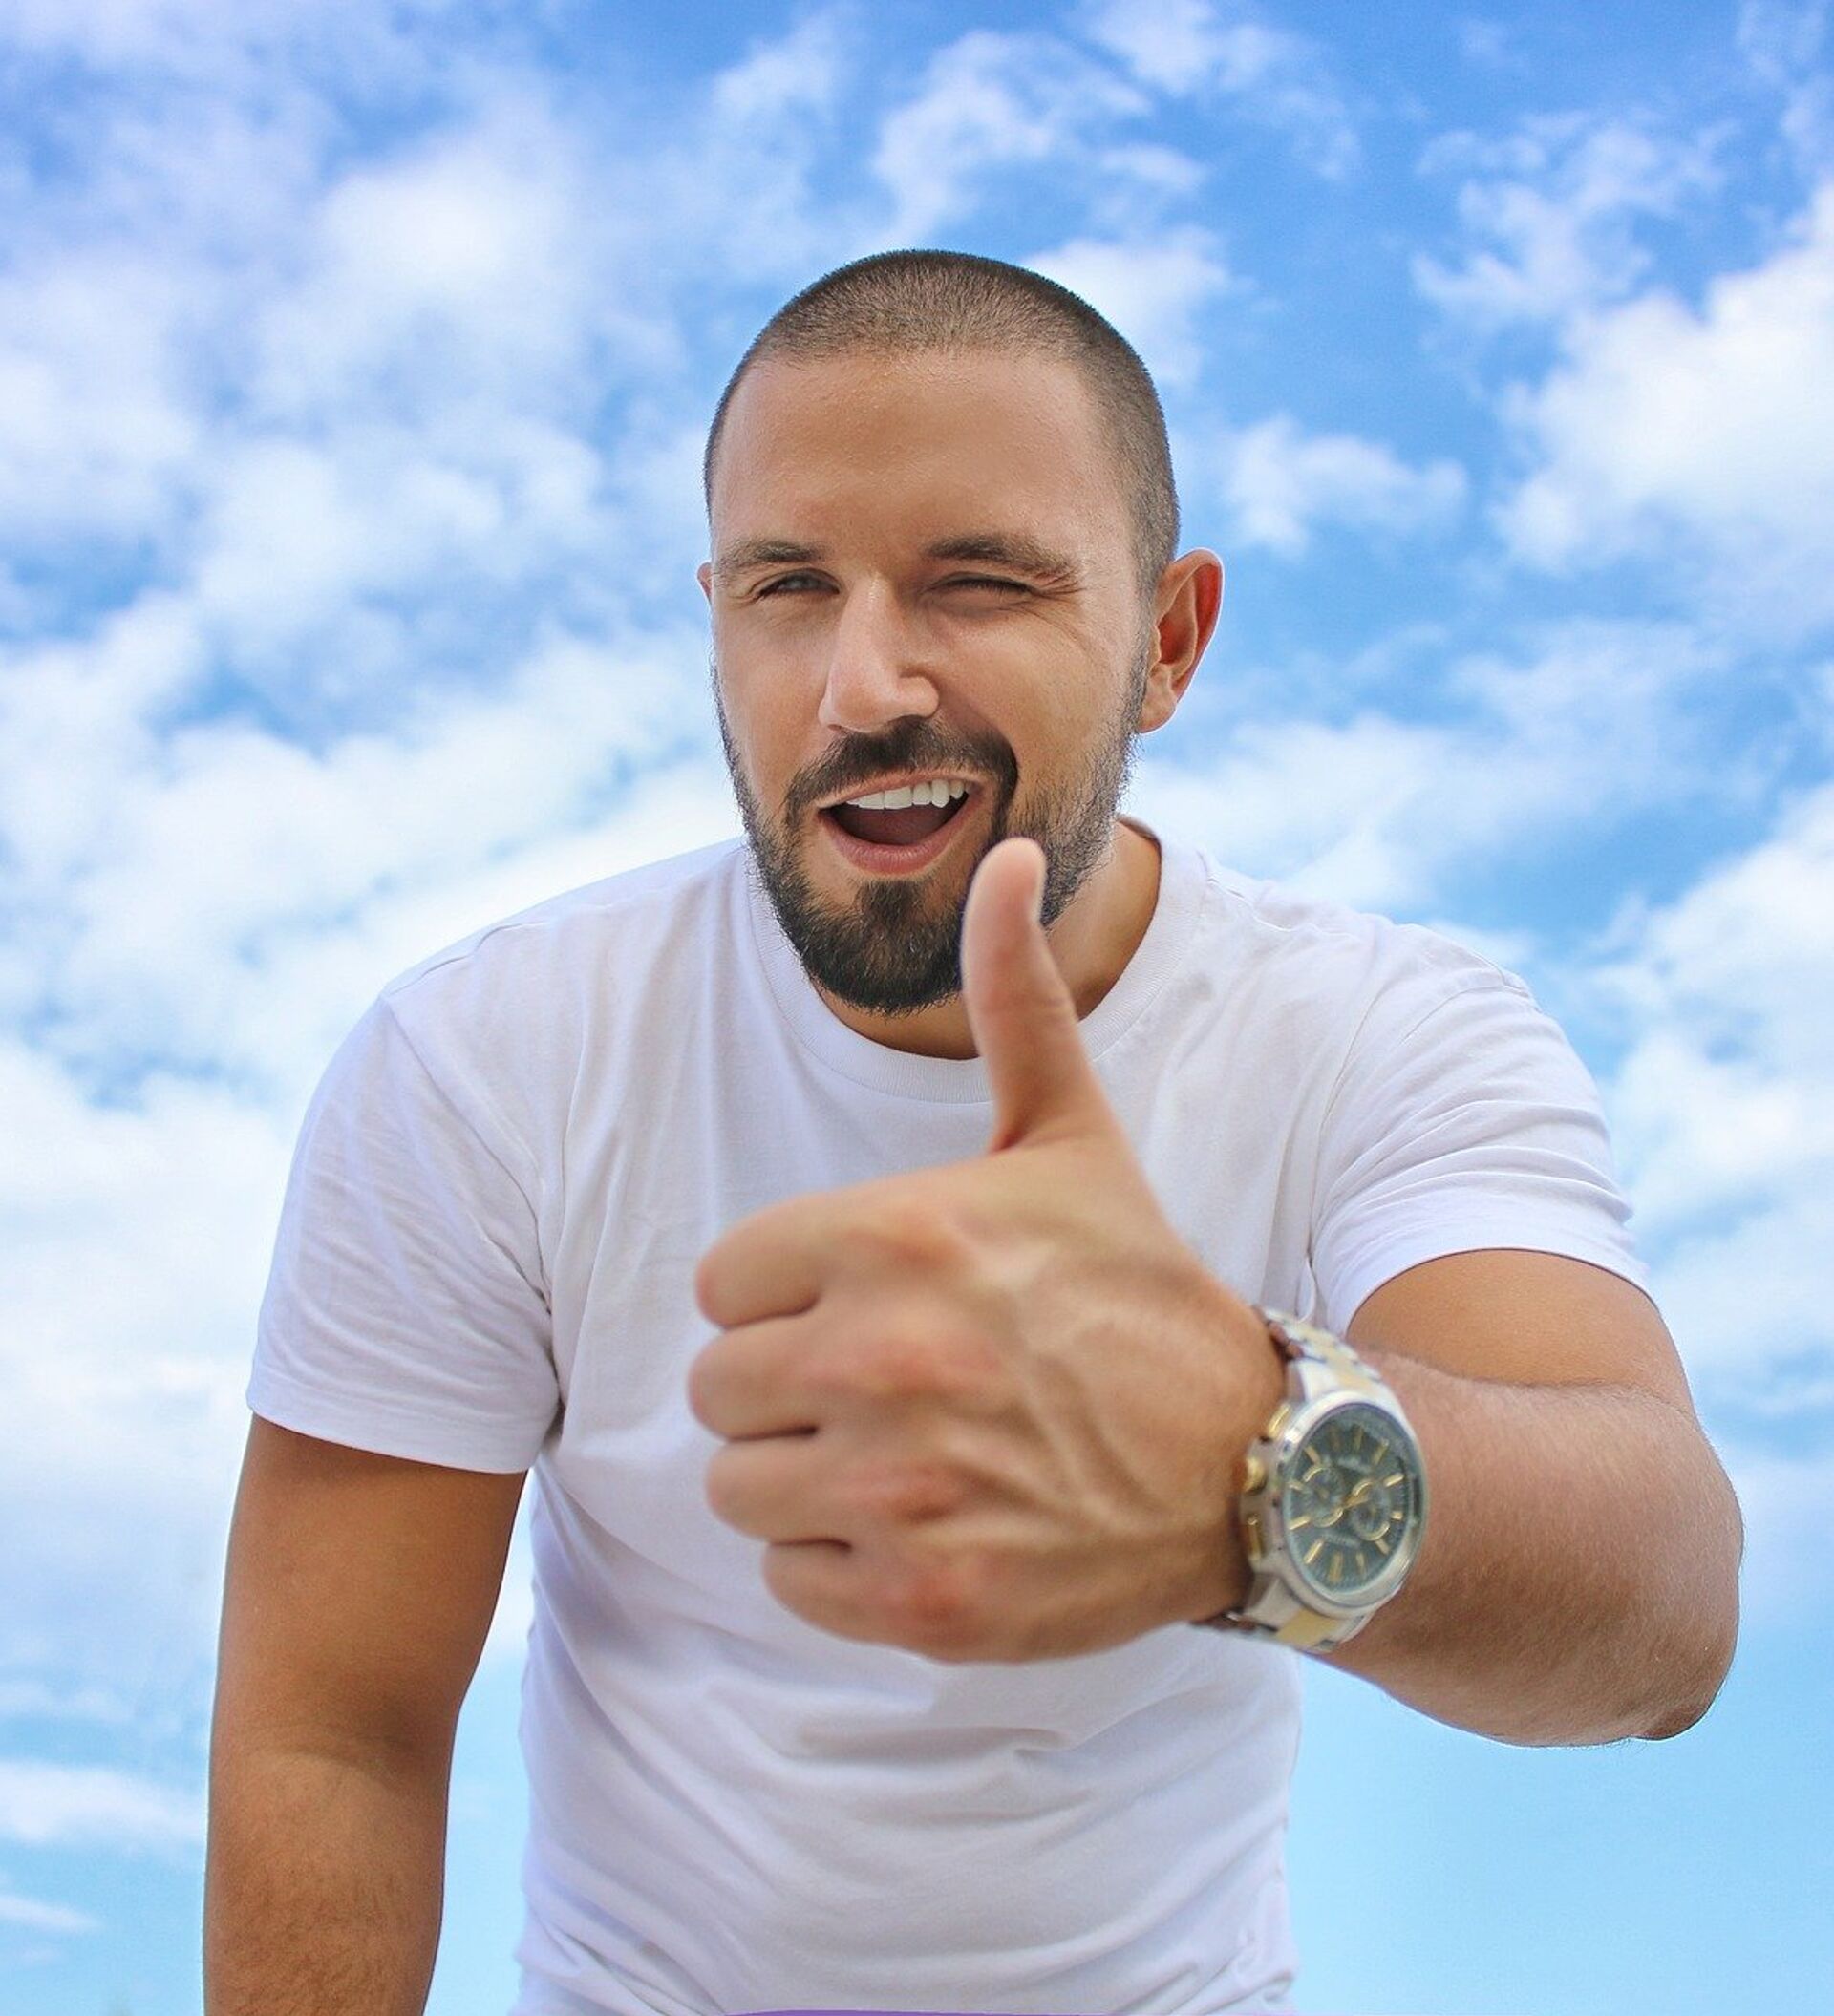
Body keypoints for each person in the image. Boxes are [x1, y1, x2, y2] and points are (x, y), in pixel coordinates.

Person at [205, 249, 1742, 2016]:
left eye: (980, 582)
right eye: (789, 587)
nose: (864, 683)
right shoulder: (483, 1062)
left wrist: (1254, 1463)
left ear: (1168, 642)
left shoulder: (1381, 1034)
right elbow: (334, 1735)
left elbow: (1667, 1605)